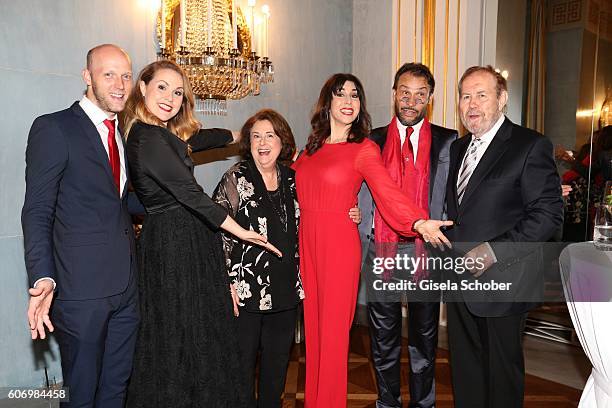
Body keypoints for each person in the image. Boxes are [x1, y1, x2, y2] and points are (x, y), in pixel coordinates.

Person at [122, 60, 278, 407]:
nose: (170, 98)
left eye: (178, 92)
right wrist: (240, 231)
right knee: (181, 333)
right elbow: (189, 193)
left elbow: (198, 138)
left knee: (195, 331)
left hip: (183, 238)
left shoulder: (160, 133)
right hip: (174, 243)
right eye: (162, 87)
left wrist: (241, 134)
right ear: (143, 88)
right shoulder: (146, 137)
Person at [292, 73, 452, 408]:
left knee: (334, 338)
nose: (349, 101)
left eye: (355, 95)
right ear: (327, 102)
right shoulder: (308, 150)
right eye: (341, 95)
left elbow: (388, 193)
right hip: (308, 248)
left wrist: (419, 222)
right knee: (314, 334)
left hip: (338, 248)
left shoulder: (363, 148)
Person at [213, 109, 361, 407]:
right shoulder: (235, 179)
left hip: (286, 290)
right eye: (256, 136)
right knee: (240, 367)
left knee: (277, 366)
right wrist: (224, 282)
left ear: (283, 142)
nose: (263, 143)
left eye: (270, 135)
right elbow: (216, 232)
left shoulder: (296, 178)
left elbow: (322, 207)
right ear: (249, 143)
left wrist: (350, 212)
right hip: (244, 292)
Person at [22, 44, 142, 407]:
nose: (120, 84)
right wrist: (43, 276)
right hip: (80, 293)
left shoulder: (120, 131)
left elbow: (116, 202)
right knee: (82, 395)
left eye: (125, 75)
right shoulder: (54, 128)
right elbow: (37, 210)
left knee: (115, 391)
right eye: (109, 74)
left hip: (125, 288)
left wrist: (173, 202)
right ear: (87, 77)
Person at [444, 65, 563, 408]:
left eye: (481, 95)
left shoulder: (530, 145)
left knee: (501, 378)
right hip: (459, 282)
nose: (471, 104)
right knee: (466, 373)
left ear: (502, 100)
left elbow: (548, 216)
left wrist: (493, 253)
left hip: (504, 283)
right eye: (465, 96)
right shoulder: (458, 148)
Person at [358, 63, 457, 408]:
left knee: (424, 340)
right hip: (380, 250)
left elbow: (469, 188)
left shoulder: (448, 142)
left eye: (420, 94)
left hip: (425, 252)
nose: (411, 101)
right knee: (383, 339)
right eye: (405, 92)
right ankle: (387, 402)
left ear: (430, 97)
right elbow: (353, 185)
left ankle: (423, 404)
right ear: (394, 94)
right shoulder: (373, 140)